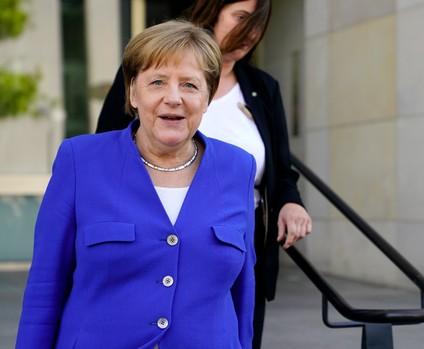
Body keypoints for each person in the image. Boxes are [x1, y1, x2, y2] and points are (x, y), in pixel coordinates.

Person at [16, 20, 256, 348]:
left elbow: (244, 295)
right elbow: (45, 290)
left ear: (207, 97)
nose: (173, 98)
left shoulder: (239, 167)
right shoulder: (80, 160)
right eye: (157, 82)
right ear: (132, 92)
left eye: (190, 85)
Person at [96, 1, 313, 347]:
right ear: (212, 10)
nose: (252, 32)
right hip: (153, 226)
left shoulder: (262, 87)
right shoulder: (151, 75)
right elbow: (106, 153)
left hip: (237, 234)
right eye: (241, 18)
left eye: (259, 23)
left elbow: (281, 169)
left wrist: (290, 202)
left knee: (236, 331)